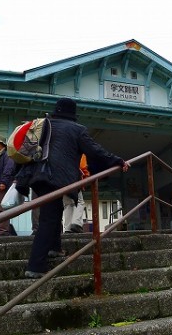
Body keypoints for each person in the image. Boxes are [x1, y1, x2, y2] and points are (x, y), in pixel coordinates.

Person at [16, 98, 130, 279]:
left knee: (53, 211)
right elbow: (95, 151)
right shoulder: (77, 130)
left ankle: (54, 248)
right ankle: (35, 266)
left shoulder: (45, 125)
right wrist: (117, 160)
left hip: (38, 176)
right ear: (73, 113)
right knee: (48, 218)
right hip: (56, 178)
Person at [62, 154, 90, 234]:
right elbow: (83, 167)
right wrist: (86, 177)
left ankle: (67, 228)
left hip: (62, 180)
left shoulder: (61, 150)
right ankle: (76, 223)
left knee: (68, 204)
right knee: (79, 202)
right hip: (74, 179)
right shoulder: (78, 150)